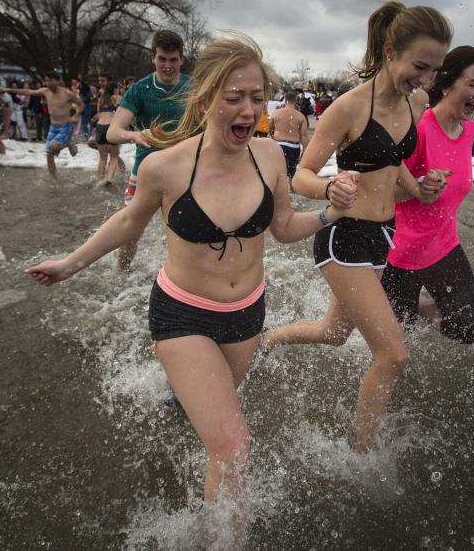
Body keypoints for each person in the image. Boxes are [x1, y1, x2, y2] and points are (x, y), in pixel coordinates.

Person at [26, 34, 346, 512]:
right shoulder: (165, 167)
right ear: (204, 100)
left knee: (214, 427)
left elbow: (282, 228)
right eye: (233, 97)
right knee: (234, 447)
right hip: (183, 314)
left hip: (245, 314)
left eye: (256, 98)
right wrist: (70, 263)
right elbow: (128, 221)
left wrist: (331, 213)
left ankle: (180, 397)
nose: (247, 109)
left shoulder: (271, 156)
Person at [263, 1, 452, 452]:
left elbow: (395, 168)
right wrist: (330, 188)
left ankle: (267, 339)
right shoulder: (347, 108)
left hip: (384, 235)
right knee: (393, 355)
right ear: (391, 51)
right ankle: (362, 454)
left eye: (434, 70)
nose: (425, 80)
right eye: (419, 67)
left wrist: (422, 187)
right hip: (344, 237)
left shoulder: (417, 100)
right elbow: (300, 175)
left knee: (334, 333)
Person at [381, 46, 474, 344]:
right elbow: (385, 190)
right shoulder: (419, 130)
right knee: (397, 348)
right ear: (445, 84)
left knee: (468, 328)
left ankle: (416, 304)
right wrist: (418, 186)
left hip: (444, 247)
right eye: (473, 84)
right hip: (401, 255)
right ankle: (406, 304)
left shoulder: (470, 131)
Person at [106, 29, 192, 270]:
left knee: (187, 230)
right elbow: (113, 132)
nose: (168, 66)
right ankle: (121, 273)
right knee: (131, 230)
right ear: (153, 58)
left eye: (173, 60)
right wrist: (135, 134)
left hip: (184, 171)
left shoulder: (193, 87)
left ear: (181, 60)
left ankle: (181, 279)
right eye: (162, 59)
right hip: (146, 171)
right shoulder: (140, 89)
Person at [0, 72, 83, 176]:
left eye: (50, 80)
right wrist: (8, 90)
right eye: (46, 80)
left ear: (57, 81)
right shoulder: (45, 91)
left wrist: (75, 116)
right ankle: (54, 178)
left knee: (53, 147)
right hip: (53, 127)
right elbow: (28, 91)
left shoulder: (67, 93)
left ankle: (68, 143)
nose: (47, 83)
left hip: (65, 126)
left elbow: (81, 105)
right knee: (49, 154)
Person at [268, 90, 309, 179]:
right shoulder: (300, 116)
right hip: (293, 147)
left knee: (278, 171)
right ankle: (290, 189)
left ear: (285, 100)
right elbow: (304, 137)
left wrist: (273, 138)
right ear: (295, 100)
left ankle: (278, 189)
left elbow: (270, 129)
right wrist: (305, 150)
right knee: (291, 173)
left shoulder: (276, 113)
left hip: (278, 144)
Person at [91, 77, 123, 184]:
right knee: (114, 156)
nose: (119, 90)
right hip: (110, 127)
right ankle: (109, 179)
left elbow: (98, 114)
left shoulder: (101, 99)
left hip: (100, 127)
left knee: (102, 158)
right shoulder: (117, 98)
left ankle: (100, 180)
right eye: (118, 88)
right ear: (114, 89)